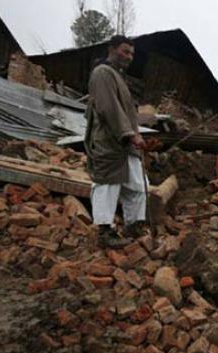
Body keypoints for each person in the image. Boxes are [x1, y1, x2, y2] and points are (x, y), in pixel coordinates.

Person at [85, 35, 148, 249]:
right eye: (124, 51)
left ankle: (133, 226)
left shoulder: (119, 77)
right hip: (109, 142)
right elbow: (109, 108)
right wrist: (130, 134)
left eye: (131, 53)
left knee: (138, 186)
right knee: (107, 184)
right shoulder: (103, 73)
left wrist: (132, 135)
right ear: (111, 49)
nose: (129, 57)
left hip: (125, 144)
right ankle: (104, 232)